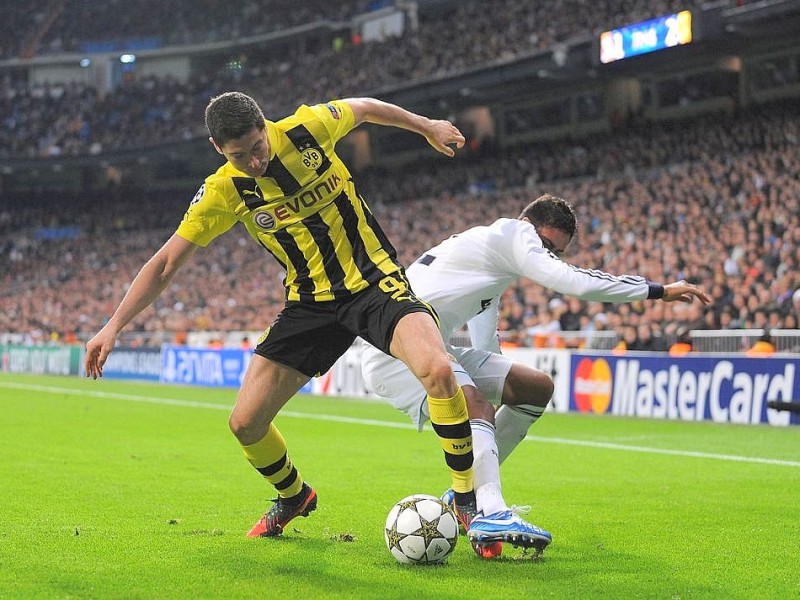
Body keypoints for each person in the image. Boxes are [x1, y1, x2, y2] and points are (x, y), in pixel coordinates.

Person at [84, 92, 479, 540]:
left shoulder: (307, 127)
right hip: (309, 305)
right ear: (218, 149)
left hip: (375, 283)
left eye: (257, 148)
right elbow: (166, 263)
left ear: (264, 125)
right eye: (239, 156)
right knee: (245, 423)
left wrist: (426, 124)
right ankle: (294, 495)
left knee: (438, 369)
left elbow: (366, 108)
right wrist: (113, 325)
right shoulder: (223, 190)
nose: (253, 162)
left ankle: (465, 498)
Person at [361, 193, 712, 555]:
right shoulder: (515, 234)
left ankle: (467, 494)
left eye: (555, 251)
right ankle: (491, 511)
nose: (547, 256)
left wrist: (494, 380)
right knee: (477, 407)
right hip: (397, 351)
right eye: (546, 245)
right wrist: (658, 290)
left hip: (424, 343)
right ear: (529, 225)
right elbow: (574, 282)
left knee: (535, 388)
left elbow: (485, 326)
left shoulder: (490, 256)